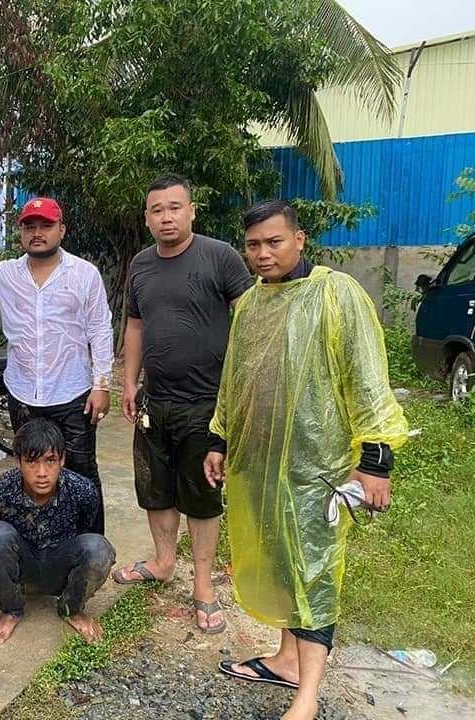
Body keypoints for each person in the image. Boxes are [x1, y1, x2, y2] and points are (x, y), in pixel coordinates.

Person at [205, 200, 408, 720]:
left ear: (299, 240)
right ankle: (286, 659)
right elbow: (235, 382)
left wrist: (375, 460)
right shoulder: (252, 303)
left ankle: (307, 696)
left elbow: (367, 378)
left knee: (314, 570)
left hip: (319, 467)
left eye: (274, 242)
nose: (263, 253)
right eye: (253, 245)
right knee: (278, 559)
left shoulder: (336, 293)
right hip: (260, 462)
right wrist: (220, 440)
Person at [113, 175, 253, 636]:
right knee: (154, 486)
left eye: (175, 207)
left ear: (192, 211)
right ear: (147, 218)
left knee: (202, 495)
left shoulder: (220, 256)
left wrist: (240, 388)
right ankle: (163, 562)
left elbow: (250, 318)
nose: (166, 217)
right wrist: (129, 382)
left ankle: (203, 586)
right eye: (157, 210)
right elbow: (135, 326)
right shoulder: (141, 264)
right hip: (155, 400)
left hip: (206, 404)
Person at [0, 197, 113, 534]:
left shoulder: (84, 274)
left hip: (73, 394)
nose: (37, 233)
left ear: (62, 230)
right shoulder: (6, 274)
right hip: (24, 395)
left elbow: (101, 330)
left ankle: (91, 546)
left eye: (45, 225)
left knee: (82, 473)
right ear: (21, 233)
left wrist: (102, 385)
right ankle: (40, 541)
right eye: (30, 226)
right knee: (32, 473)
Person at [0, 418, 115, 646]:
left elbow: (86, 529)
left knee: (98, 547)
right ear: (18, 461)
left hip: (62, 566)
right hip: (22, 568)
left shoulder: (82, 490)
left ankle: (72, 608)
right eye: (31, 462)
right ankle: (11, 609)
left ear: (62, 459)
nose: (42, 473)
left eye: (50, 461)